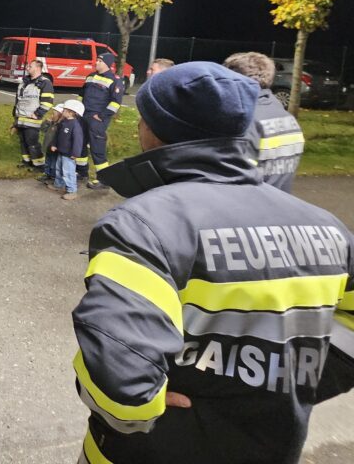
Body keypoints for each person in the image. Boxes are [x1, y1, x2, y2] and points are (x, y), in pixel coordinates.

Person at [72, 62, 354, 464]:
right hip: (274, 445)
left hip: (153, 449)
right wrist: (293, 380)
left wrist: (144, 408)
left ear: (153, 130)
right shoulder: (328, 226)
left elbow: (119, 386)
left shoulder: (141, 226)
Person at [224, 51, 304, 193]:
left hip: (249, 202)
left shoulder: (246, 121)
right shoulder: (287, 118)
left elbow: (235, 176)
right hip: (280, 200)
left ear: (236, 80)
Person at [76, 51, 124, 190]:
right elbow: (81, 94)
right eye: (97, 60)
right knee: (80, 144)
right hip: (83, 115)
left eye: (100, 61)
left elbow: (115, 103)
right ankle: (82, 172)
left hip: (97, 119)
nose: (96, 62)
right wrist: (78, 110)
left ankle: (104, 180)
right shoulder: (90, 76)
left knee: (97, 148)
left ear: (107, 64)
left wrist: (102, 116)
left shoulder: (115, 80)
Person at [12, 59, 56, 170]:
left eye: (30, 66)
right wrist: (15, 116)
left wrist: (38, 114)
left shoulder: (45, 83)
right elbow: (18, 100)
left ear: (38, 68)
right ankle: (27, 162)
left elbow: (47, 102)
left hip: (32, 119)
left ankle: (39, 165)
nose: (27, 68)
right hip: (20, 118)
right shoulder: (24, 82)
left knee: (32, 143)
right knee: (23, 142)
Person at [48, 99, 84, 200]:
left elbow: (78, 141)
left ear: (71, 112)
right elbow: (57, 135)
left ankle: (72, 191)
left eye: (64, 110)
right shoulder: (64, 122)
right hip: (61, 152)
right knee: (58, 169)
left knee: (68, 172)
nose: (62, 111)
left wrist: (75, 153)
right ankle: (58, 184)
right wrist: (54, 144)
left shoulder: (75, 125)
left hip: (69, 155)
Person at [37, 103, 65, 185]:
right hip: (47, 147)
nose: (52, 115)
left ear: (60, 115)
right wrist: (46, 121)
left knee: (54, 164)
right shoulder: (51, 123)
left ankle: (53, 176)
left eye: (54, 114)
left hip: (54, 148)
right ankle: (47, 174)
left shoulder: (60, 125)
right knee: (47, 162)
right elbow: (42, 129)